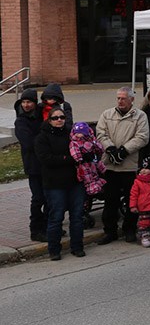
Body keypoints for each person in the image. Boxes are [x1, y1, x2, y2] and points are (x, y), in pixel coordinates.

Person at [94, 87, 150, 244]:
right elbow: (101, 133)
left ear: (132, 99)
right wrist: (110, 148)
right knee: (110, 201)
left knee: (131, 201)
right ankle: (110, 231)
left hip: (129, 166)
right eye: (118, 98)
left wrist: (124, 151)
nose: (120, 101)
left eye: (123, 98)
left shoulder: (140, 116)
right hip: (110, 166)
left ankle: (129, 230)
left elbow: (142, 137)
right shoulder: (107, 114)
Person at [35, 106, 86, 260]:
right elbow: (46, 159)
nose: (59, 120)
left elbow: (82, 151)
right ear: (49, 120)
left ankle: (77, 246)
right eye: (55, 118)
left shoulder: (72, 134)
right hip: (54, 184)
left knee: (77, 216)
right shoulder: (42, 138)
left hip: (75, 182)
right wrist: (68, 159)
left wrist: (69, 158)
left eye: (62, 117)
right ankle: (54, 250)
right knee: (56, 217)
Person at [13, 89, 47, 242]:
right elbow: (28, 143)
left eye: (29, 102)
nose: (26, 105)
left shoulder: (41, 115)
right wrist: (45, 141)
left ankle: (47, 227)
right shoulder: (20, 121)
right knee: (38, 198)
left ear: (35, 102)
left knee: (49, 198)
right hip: (33, 165)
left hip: (46, 164)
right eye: (24, 102)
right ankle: (36, 229)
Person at [69, 121, 107, 199]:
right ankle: (92, 187)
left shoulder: (91, 139)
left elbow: (100, 149)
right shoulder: (75, 142)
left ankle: (101, 182)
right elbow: (74, 151)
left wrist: (94, 145)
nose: (79, 135)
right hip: (84, 163)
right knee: (87, 175)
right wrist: (80, 159)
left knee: (99, 170)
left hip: (93, 160)